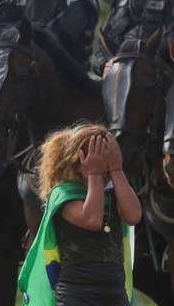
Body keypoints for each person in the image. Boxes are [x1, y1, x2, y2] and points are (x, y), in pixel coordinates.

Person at [18, 123, 141, 305]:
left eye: (108, 159)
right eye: (98, 160)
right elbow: (92, 219)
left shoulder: (113, 190)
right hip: (77, 293)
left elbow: (133, 216)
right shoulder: (63, 193)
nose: (104, 167)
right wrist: (94, 174)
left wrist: (117, 170)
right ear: (77, 164)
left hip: (114, 292)